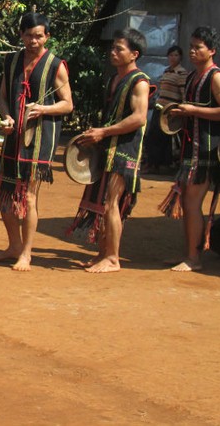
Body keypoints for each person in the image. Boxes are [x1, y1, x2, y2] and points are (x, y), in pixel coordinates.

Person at [0, 12, 73, 271]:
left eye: (39, 36)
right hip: (13, 138)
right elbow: (2, 97)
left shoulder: (56, 65)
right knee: (6, 193)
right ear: (21, 35)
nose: (33, 41)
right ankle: (14, 247)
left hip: (40, 139)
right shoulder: (11, 61)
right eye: (28, 35)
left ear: (47, 37)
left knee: (29, 197)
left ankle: (27, 253)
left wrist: (42, 109)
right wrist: (6, 117)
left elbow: (68, 104)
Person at [67, 28, 151, 273]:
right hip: (108, 147)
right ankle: (103, 253)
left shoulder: (140, 81)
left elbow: (139, 118)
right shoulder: (115, 79)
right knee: (104, 203)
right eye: (112, 48)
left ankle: (113, 258)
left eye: (119, 49)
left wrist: (103, 132)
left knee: (112, 202)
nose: (112, 52)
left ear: (134, 54)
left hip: (125, 150)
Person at [159, 26, 220, 272]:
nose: (193, 51)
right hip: (190, 148)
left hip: (206, 150)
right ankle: (189, 254)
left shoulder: (215, 77)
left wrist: (191, 111)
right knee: (187, 202)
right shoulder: (194, 76)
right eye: (192, 47)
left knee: (193, 203)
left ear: (212, 50)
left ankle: (194, 259)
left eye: (199, 48)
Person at [144, 45, 187, 174]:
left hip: (171, 111)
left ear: (180, 57)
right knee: (153, 136)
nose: (173, 57)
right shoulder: (166, 71)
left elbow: (183, 93)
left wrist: (182, 109)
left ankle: (162, 165)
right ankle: (153, 164)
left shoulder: (181, 73)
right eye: (171, 55)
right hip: (160, 108)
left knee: (164, 139)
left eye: (176, 55)